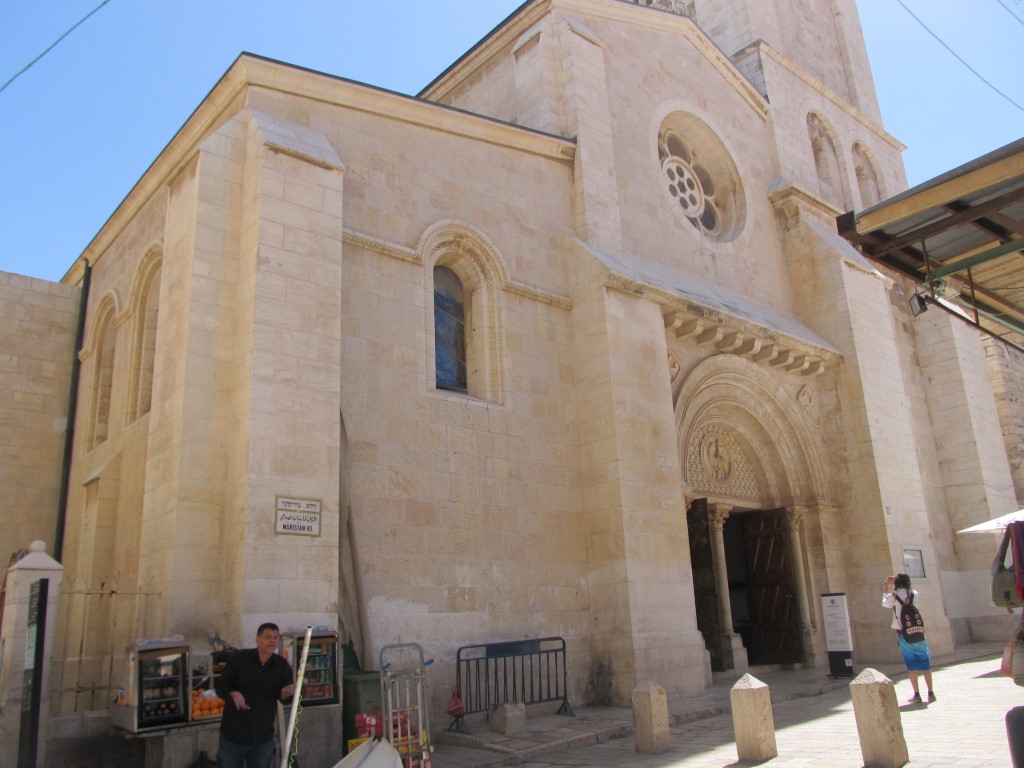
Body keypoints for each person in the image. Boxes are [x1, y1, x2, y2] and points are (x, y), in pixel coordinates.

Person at [215, 622, 295, 768]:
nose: (272, 641)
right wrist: (233, 693)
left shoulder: (282, 665)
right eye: (268, 637)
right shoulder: (238, 659)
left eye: (275, 637)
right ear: (258, 640)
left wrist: (286, 694)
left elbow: (285, 698)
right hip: (233, 736)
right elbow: (221, 686)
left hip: (262, 737)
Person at [882, 573, 935, 703]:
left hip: (904, 634)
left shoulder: (894, 596)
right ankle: (930, 693)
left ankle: (916, 694)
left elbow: (885, 604)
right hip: (918, 632)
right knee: (925, 665)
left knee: (912, 666)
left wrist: (887, 588)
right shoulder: (914, 593)